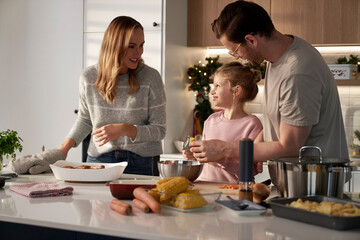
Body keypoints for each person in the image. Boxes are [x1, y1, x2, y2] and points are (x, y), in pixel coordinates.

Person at [189, 0, 348, 164]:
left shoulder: (297, 72)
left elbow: (291, 146)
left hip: (313, 182)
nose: (237, 57)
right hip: (295, 180)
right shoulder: (276, 59)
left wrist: (225, 149)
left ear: (251, 40)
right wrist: (252, 155)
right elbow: (277, 124)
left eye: (234, 51)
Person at [58, 16, 166, 175]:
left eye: (141, 45)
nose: (139, 52)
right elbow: (85, 119)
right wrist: (63, 149)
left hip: (142, 161)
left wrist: (124, 129)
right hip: (99, 159)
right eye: (132, 46)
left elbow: (159, 130)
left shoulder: (150, 77)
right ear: (114, 46)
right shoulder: (89, 77)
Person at [183, 62, 262, 183]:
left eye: (217, 86)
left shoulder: (252, 124)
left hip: (235, 191)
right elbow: (204, 160)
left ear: (236, 91)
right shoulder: (211, 120)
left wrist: (220, 155)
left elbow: (251, 169)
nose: (212, 91)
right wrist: (194, 155)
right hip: (205, 185)